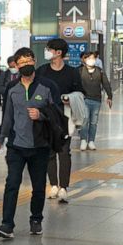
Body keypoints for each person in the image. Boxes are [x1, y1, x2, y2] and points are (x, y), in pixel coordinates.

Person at [0, 48, 59, 239]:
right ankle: (7, 225)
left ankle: (36, 219)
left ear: (34, 61)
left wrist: (41, 115)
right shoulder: (12, 88)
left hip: (40, 146)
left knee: (38, 187)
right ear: (16, 65)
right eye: (21, 63)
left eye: (28, 61)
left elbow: (57, 115)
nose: (25, 65)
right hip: (16, 146)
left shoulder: (47, 86)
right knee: (12, 184)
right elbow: (7, 116)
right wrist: (1, 139)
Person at [36, 38, 77, 203]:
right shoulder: (41, 71)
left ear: (58, 53)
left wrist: (71, 99)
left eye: (49, 49)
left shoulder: (72, 73)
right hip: (46, 117)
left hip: (65, 118)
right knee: (49, 153)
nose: (46, 51)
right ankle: (53, 184)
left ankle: (64, 188)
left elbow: (80, 93)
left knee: (64, 152)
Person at [78, 52, 113, 151]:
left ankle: (91, 141)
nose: (91, 60)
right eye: (89, 58)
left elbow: (106, 83)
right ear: (84, 59)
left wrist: (110, 96)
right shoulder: (80, 71)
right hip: (84, 99)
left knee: (93, 122)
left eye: (93, 58)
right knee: (84, 120)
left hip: (96, 100)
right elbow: (75, 84)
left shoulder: (100, 71)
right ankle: (83, 140)